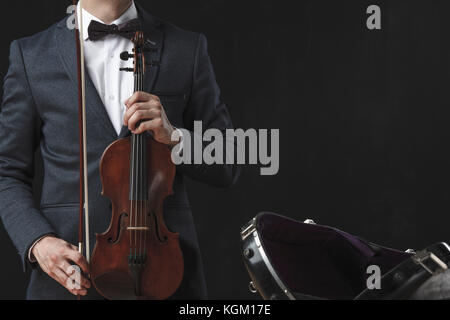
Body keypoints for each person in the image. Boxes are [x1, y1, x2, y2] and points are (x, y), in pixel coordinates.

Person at [0, 0, 239, 299]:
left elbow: (229, 162)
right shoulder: (31, 56)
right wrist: (37, 242)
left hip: (166, 276)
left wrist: (175, 136)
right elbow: (6, 172)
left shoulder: (186, 48)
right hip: (69, 279)